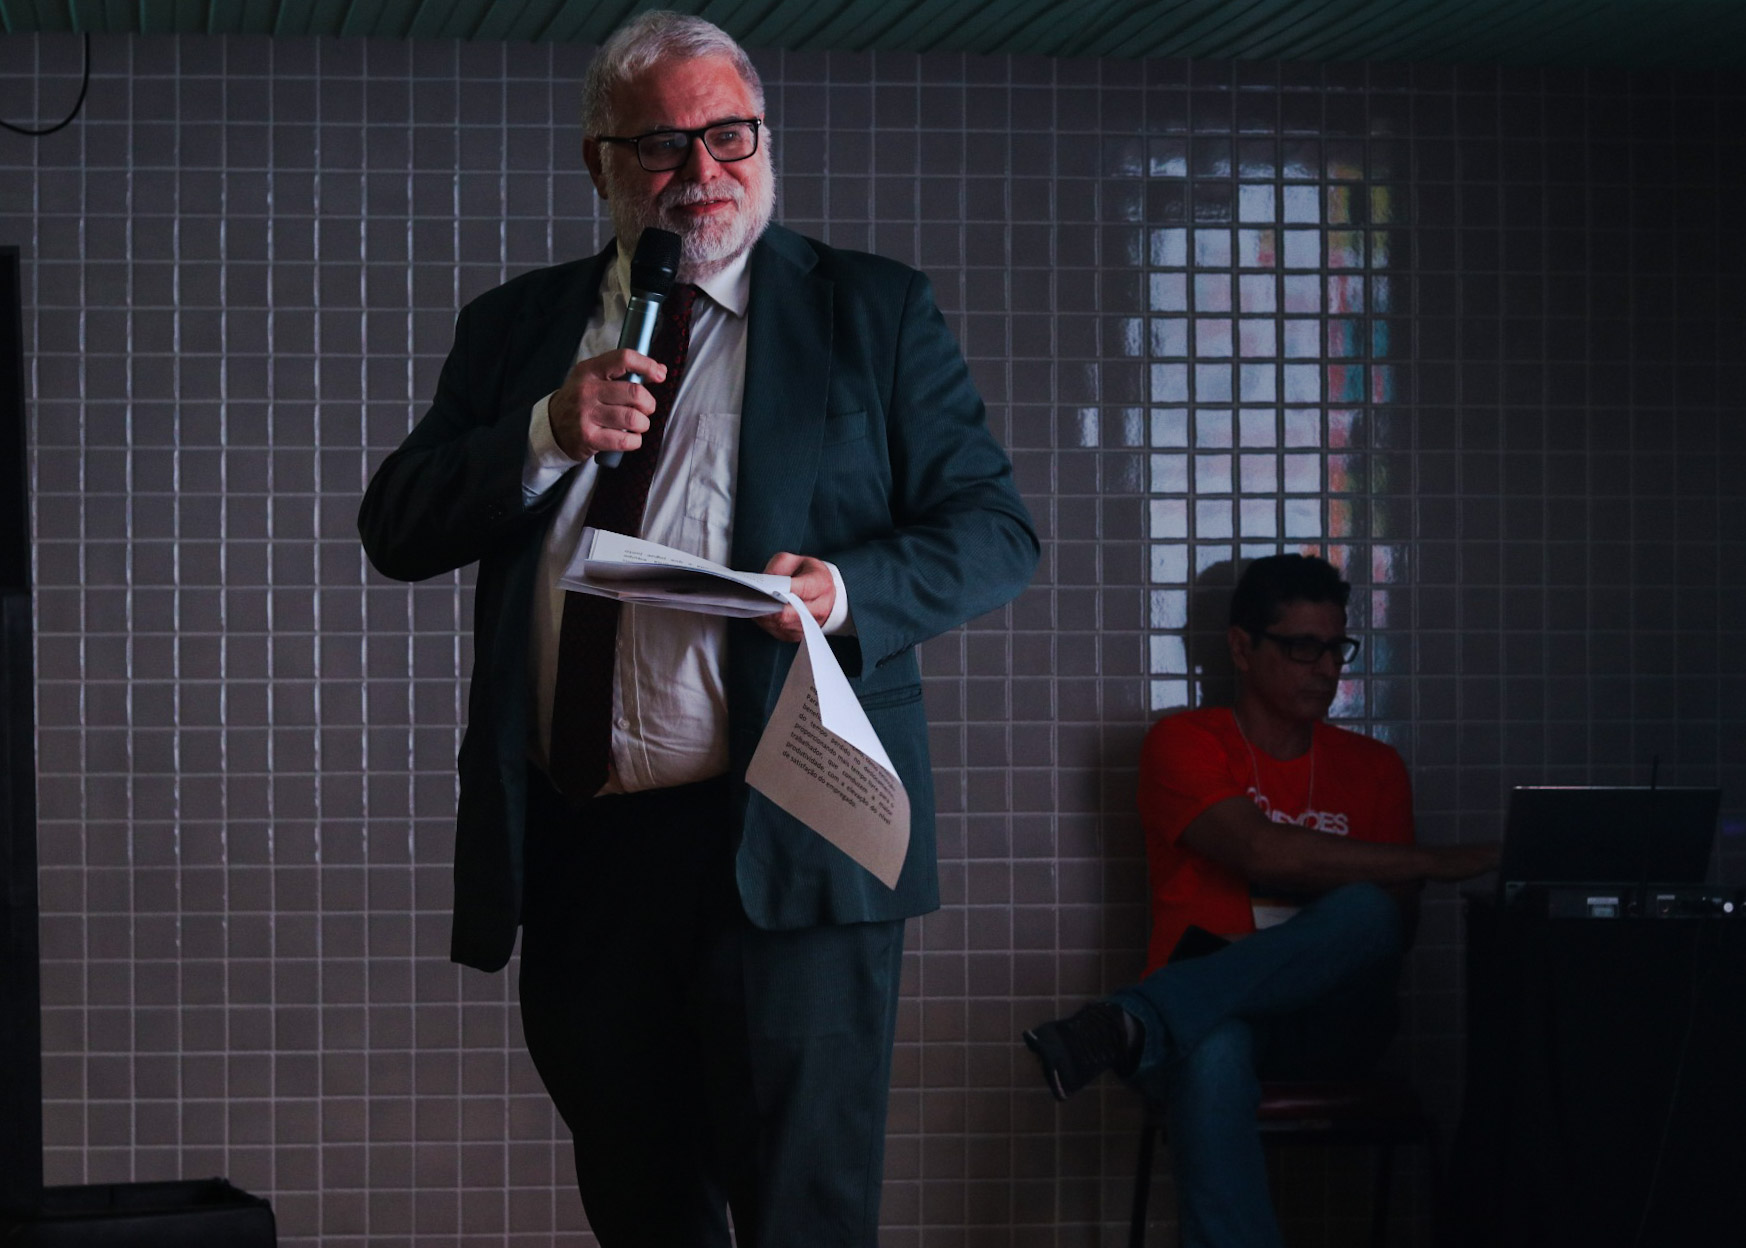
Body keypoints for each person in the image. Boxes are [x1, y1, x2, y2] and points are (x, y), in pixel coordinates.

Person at [357, 12, 1038, 1247]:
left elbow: (996, 531)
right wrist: (544, 432)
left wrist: (843, 593)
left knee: (801, 1219)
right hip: (583, 852)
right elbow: (396, 526)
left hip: (787, 842)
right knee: (643, 1211)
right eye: (665, 145)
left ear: (764, 140)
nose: (704, 172)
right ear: (601, 162)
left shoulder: (871, 311)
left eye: (731, 136)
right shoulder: (517, 328)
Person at [1023, 555, 1497, 1248]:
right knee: (1215, 1044)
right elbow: (1259, 851)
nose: (1326, 668)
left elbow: (1395, 926)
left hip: (1332, 1023)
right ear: (1242, 648)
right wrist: (1435, 862)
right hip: (1209, 1029)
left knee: (1368, 913)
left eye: (1335, 647)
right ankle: (1163, 1020)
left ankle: (1132, 1022)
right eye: (1303, 647)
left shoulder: (1375, 767)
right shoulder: (1183, 743)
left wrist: (1365, 891)